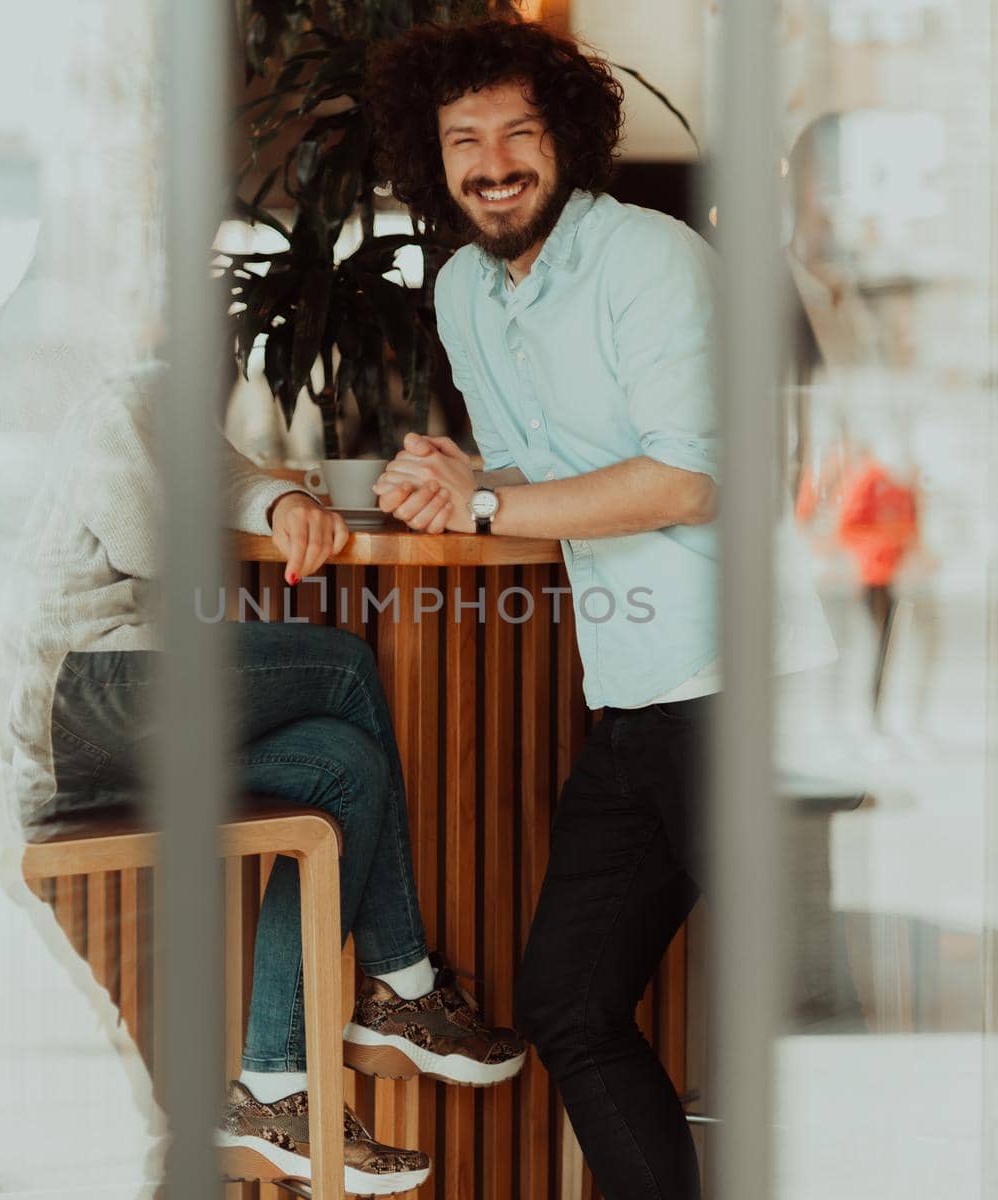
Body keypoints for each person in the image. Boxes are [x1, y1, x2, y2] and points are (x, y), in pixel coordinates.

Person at [364, 19, 834, 1198]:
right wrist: (457, 483)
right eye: (463, 138)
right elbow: (532, 478)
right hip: (631, 698)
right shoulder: (467, 290)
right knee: (568, 1004)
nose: (493, 161)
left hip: (736, 689)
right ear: (434, 159)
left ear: (565, 139)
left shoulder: (650, 259)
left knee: (806, 1025)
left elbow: (686, 477)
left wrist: (480, 512)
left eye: (519, 130)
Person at [0, 270, 525, 1197]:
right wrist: (255, 496)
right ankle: (402, 990)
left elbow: (223, 475)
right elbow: (157, 540)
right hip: (82, 696)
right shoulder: (119, 394)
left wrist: (279, 502)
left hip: (109, 723)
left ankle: (273, 1088)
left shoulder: (148, 399)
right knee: (343, 666)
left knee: (344, 769)